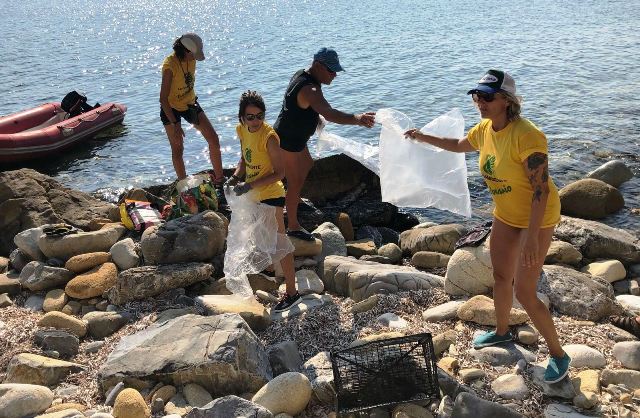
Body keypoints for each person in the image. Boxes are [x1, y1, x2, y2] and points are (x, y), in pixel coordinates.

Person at [404, 70, 570, 383]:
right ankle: (502, 331)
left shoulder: (528, 135)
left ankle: (560, 355)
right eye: (477, 95)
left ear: (507, 101)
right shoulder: (485, 129)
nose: (480, 101)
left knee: (525, 289)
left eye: (488, 96)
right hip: (506, 214)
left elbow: (541, 190)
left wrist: (533, 238)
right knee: (500, 276)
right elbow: (457, 144)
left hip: (538, 217)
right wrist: (422, 136)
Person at [273, 47, 376, 241]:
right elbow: (330, 113)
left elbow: (302, 107)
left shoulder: (302, 75)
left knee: (307, 165)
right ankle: (293, 226)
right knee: (294, 181)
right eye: (331, 70)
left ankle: (292, 200)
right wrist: (358, 118)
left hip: (294, 137)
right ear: (318, 66)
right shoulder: (310, 89)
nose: (335, 75)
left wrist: (313, 118)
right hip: (288, 141)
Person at [226, 90, 301, 312]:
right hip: (255, 194)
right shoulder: (242, 130)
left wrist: (248, 185)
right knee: (260, 236)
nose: (256, 120)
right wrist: (236, 176)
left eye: (260, 115)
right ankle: (270, 271)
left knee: (280, 242)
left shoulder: (269, 137)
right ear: (242, 117)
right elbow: (244, 159)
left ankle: (292, 292)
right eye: (250, 116)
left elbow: (280, 173)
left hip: (271, 194)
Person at [160, 33, 224, 184]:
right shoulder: (169, 66)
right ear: (186, 51)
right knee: (178, 149)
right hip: (171, 108)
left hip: (189, 103)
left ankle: (220, 180)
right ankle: (184, 186)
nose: (195, 58)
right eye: (193, 55)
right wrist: (175, 124)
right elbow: (163, 99)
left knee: (213, 138)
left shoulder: (191, 59)